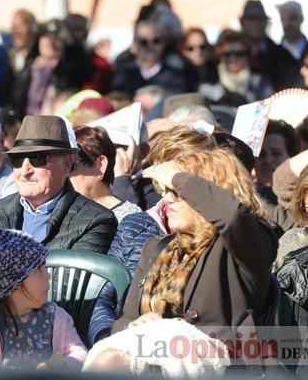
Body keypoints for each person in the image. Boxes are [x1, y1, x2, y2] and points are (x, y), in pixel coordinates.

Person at [89, 149, 277, 370]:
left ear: (213, 190)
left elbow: (232, 217)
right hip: (150, 362)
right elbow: (123, 320)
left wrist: (177, 177)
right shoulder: (157, 247)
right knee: (106, 359)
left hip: (224, 367)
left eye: (177, 191)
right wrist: (136, 325)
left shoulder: (244, 246)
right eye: (166, 190)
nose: (166, 198)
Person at [87, 126, 217, 345]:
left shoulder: (225, 237)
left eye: (180, 181)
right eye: (164, 179)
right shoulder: (135, 227)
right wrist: (112, 341)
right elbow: (101, 297)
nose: (169, 191)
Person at [0, 115, 117, 253]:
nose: (25, 171)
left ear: (67, 163)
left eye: (38, 159)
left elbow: (68, 277)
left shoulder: (95, 220)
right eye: (17, 160)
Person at [0, 227, 87, 369]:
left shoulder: (56, 317)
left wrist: (64, 366)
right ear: (14, 285)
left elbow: (79, 352)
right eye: (38, 270)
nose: (47, 275)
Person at [111, 10, 196, 97]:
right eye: (143, 42)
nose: (150, 46)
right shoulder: (123, 73)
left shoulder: (176, 77)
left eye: (156, 41)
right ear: (135, 45)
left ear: (164, 44)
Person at [70, 126, 141, 222]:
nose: (63, 175)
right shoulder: (57, 212)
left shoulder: (129, 218)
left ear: (101, 165)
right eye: (61, 166)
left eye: (71, 167)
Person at [239, 0, 300, 91]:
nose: (257, 24)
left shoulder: (282, 56)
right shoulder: (232, 52)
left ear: (266, 22)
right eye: (251, 19)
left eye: (260, 19)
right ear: (242, 22)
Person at [202, 29, 273, 106]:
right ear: (219, 56)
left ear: (247, 55)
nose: (232, 59)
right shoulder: (209, 83)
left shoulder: (260, 82)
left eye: (239, 54)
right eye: (227, 54)